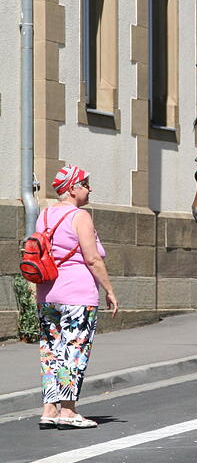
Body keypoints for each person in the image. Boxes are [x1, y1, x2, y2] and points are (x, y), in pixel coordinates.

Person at [35, 165, 119, 430]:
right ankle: (68, 412)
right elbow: (92, 259)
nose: (89, 189)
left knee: (51, 351)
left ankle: (49, 410)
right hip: (77, 295)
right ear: (72, 188)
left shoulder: (44, 215)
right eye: (85, 184)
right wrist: (109, 290)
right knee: (73, 351)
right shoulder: (80, 216)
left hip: (47, 293)